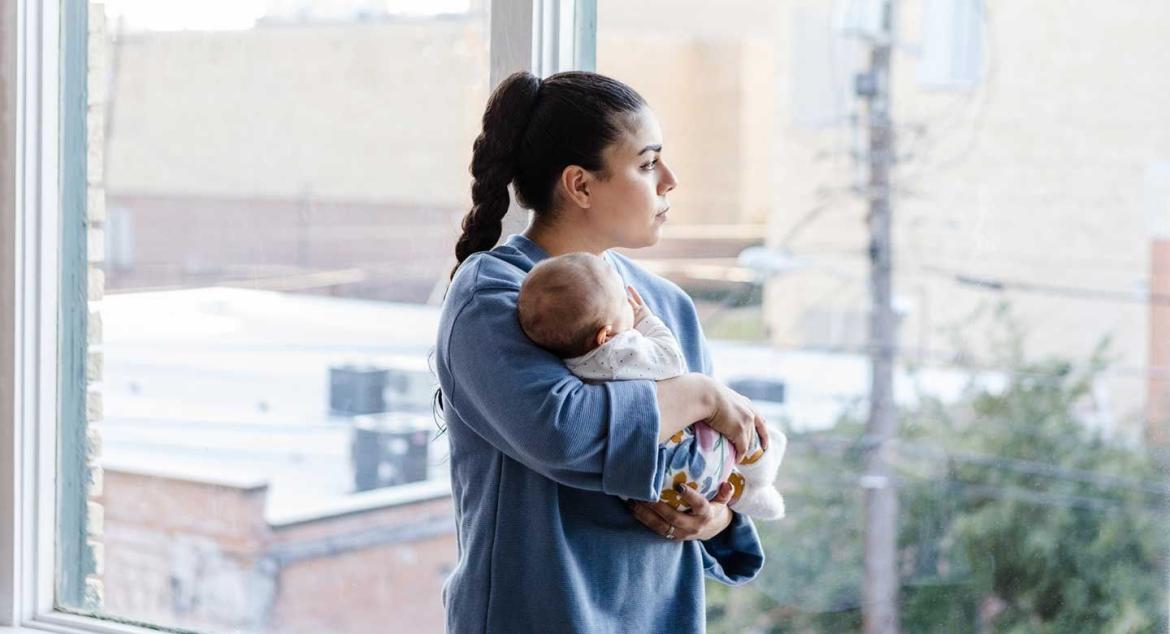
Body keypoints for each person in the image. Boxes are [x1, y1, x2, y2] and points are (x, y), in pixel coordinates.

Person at [433, 70, 772, 633]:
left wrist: (713, 519)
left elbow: (706, 456)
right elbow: (565, 430)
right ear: (581, 185)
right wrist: (698, 393)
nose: (670, 180)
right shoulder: (493, 297)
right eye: (646, 163)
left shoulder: (668, 304)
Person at [516, 251, 787, 521]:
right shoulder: (617, 353)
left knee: (720, 458)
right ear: (605, 335)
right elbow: (672, 361)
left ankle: (745, 494)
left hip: (659, 485)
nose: (630, 307)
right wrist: (646, 321)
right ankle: (760, 476)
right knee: (744, 425)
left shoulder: (569, 361)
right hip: (692, 459)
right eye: (624, 303)